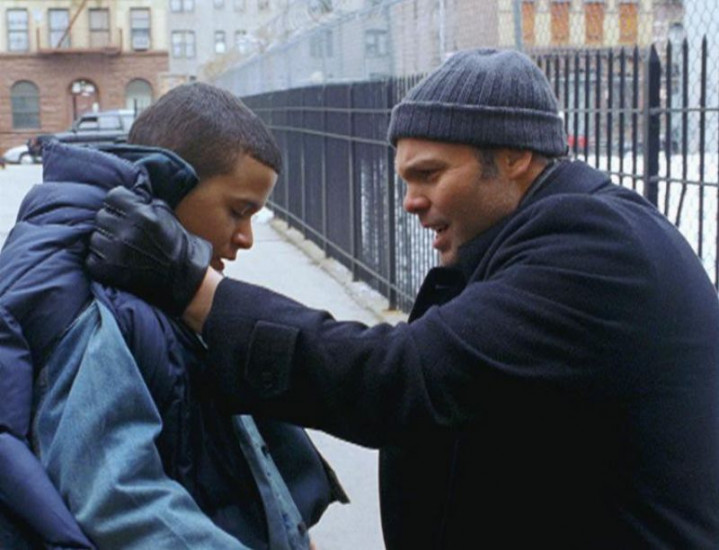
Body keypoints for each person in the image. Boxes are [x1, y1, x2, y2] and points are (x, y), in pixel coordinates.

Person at [87, 49, 719, 548]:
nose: (410, 201)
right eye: (406, 178)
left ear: (515, 157)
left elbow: (402, 376)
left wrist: (191, 286)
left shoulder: (597, 245)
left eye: (430, 174)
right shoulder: (543, 238)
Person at [0, 82, 345, 549]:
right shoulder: (97, 304)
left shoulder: (160, 286)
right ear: (171, 190)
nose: (246, 237)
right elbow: (121, 500)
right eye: (237, 211)